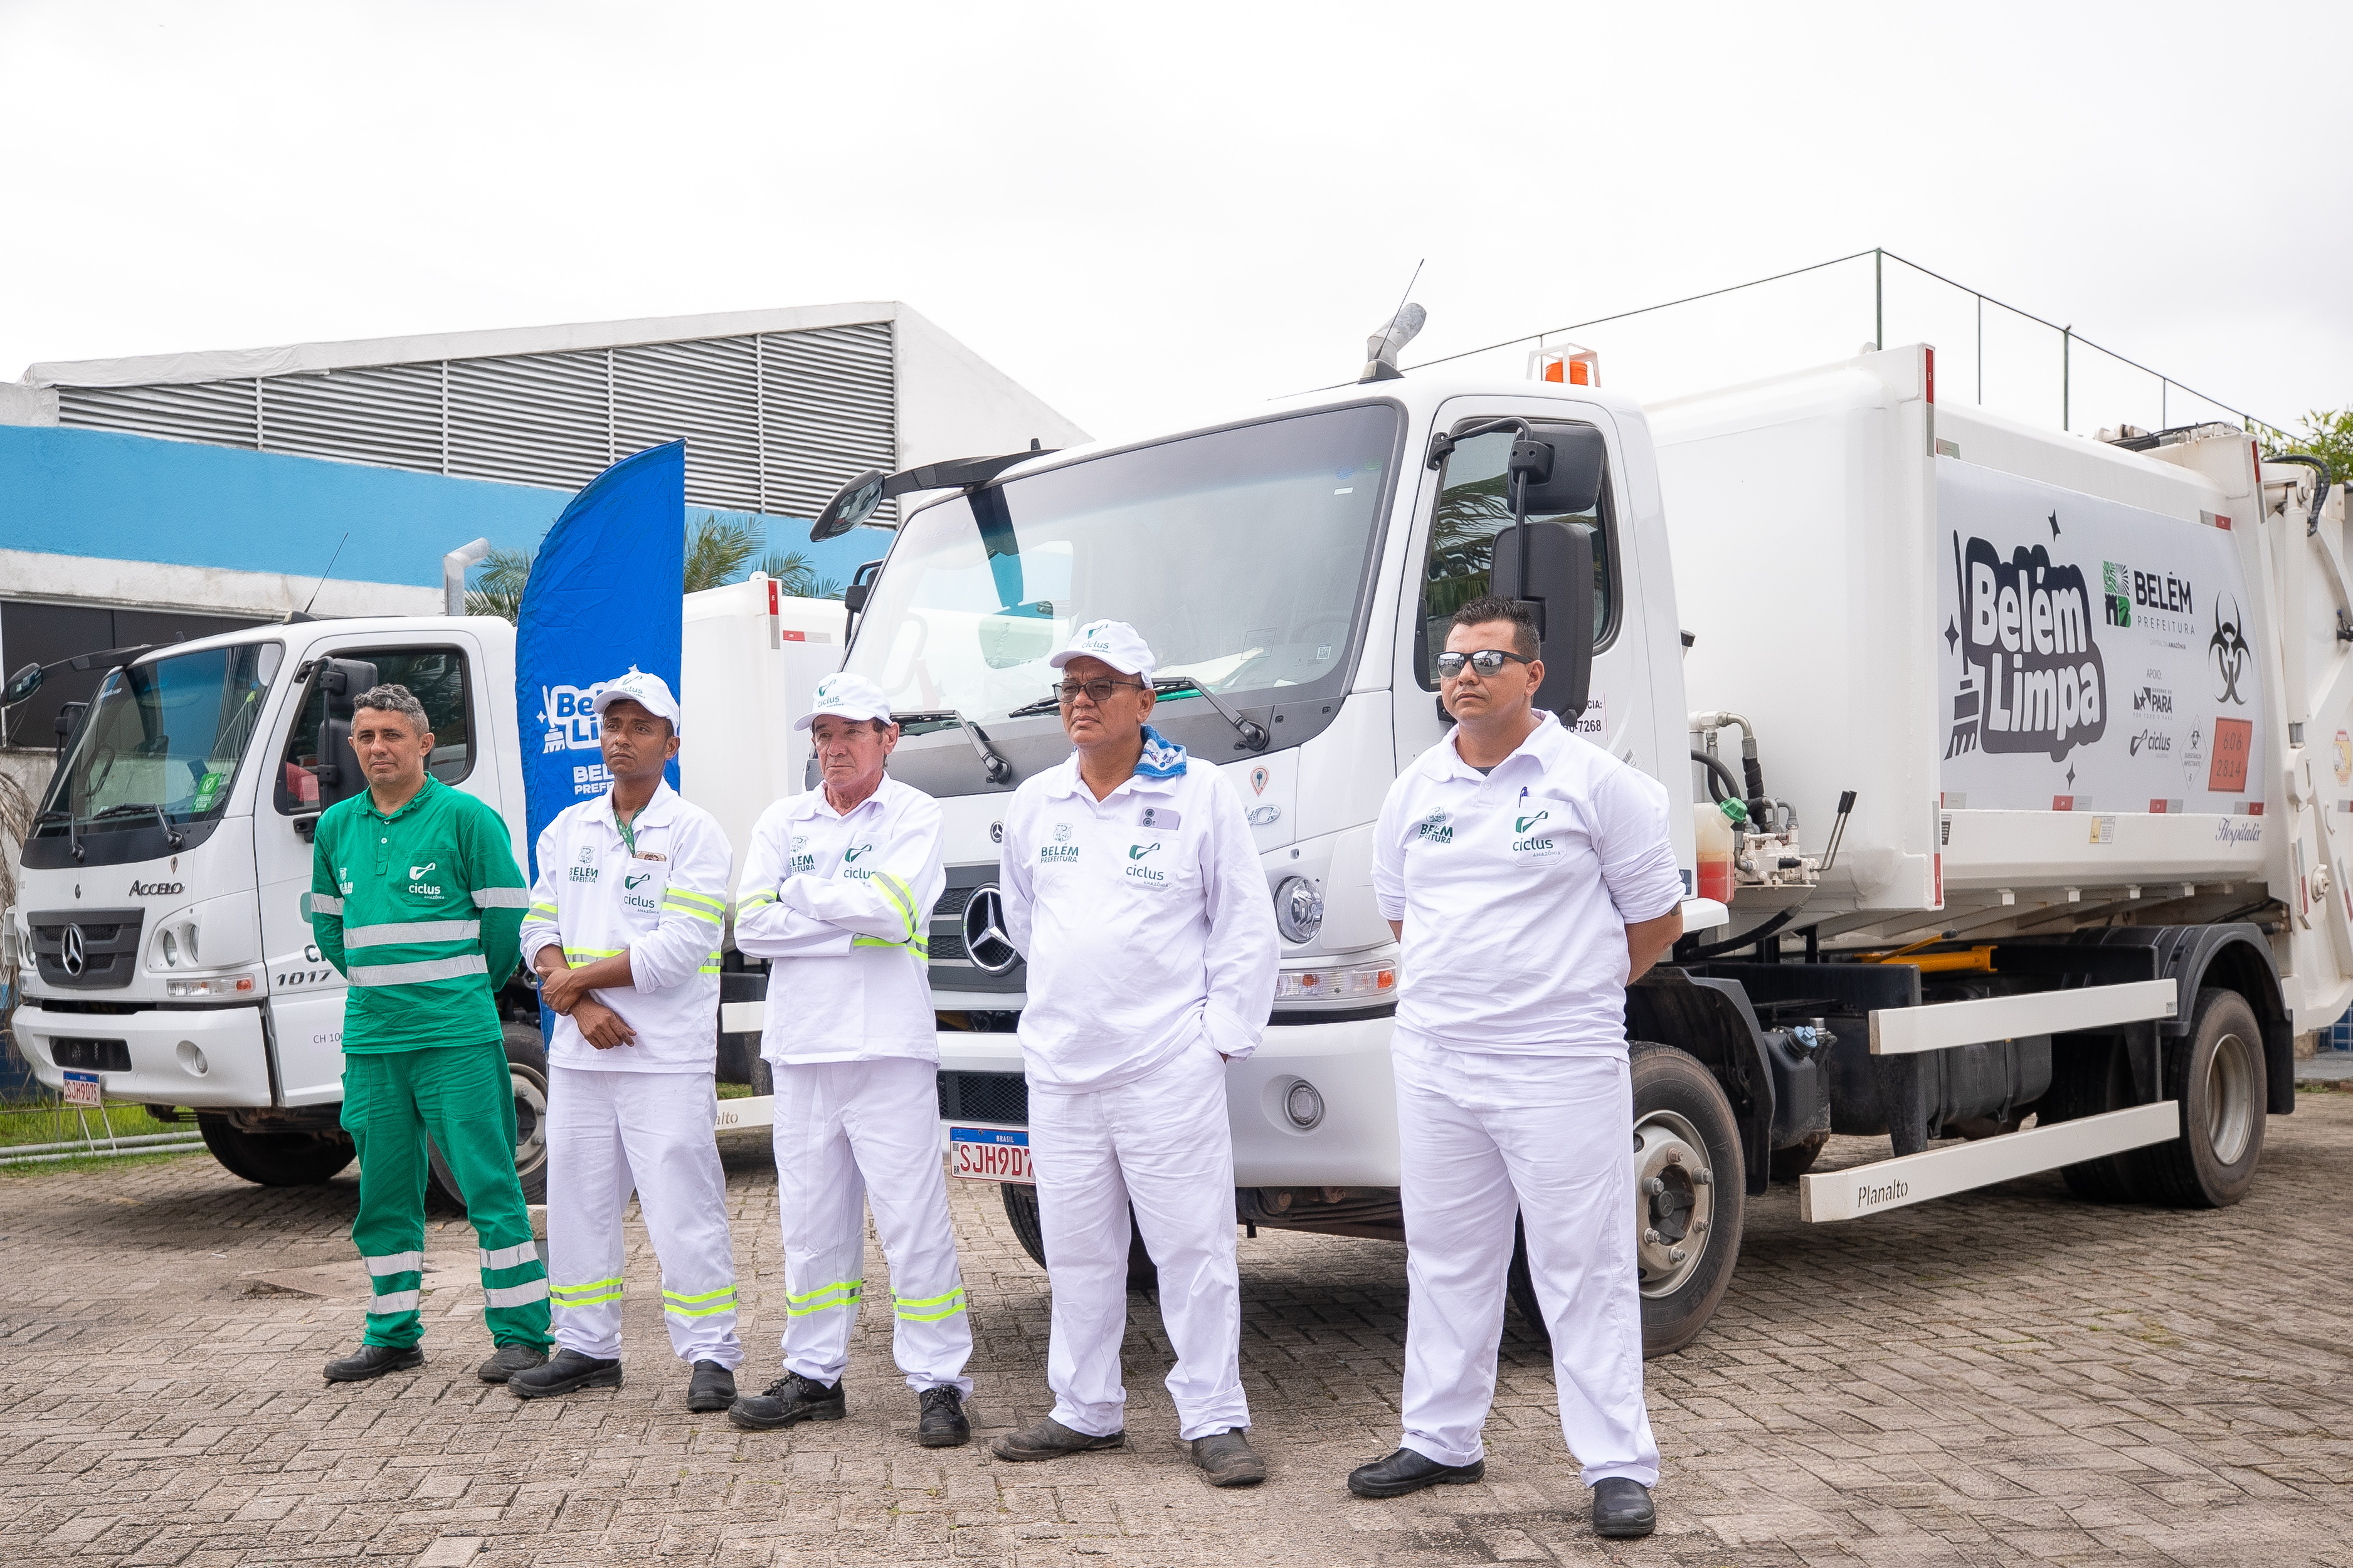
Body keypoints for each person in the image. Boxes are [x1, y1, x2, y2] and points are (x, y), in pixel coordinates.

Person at [1348, 596, 1683, 1539]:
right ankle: (1443, 1439)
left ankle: (1617, 1463)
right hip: (1438, 1062)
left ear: (1534, 676)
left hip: (1558, 1064)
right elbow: (1409, 919)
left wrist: (1563, 992)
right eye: (1451, 661)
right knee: (1449, 1259)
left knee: (1582, 1267)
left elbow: (1655, 920)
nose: (1463, 676)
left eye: (1486, 661)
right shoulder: (1416, 789)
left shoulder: (1595, 783)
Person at [988, 619, 1278, 1488]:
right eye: (1069, 687)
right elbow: (1027, 919)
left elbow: (1244, 925)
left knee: (1191, 1249)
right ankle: (1085, 1409)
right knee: (1077, 1249)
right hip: (1064, 1069)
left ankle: (1214, 1416)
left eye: (1100, 686)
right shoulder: (1037, 801)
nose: (1079, 701)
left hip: (1167, 1066)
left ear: (1146, 700)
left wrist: (1217, 1043)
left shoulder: (1201, 792)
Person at [727, 672, 973, 1446]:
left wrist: (800, 890)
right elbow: (751, 928)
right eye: (822, 734)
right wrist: (842, 909)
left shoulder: (916, 812)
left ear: (887, 737)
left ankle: (939, 1383)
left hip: (887, 1049)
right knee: (808, 1225)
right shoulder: (782, 816)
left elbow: (897, 911)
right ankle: (813, 1375)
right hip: (801, 1051)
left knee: (913, 1223)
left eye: (849, 733)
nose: (833, 748)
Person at [510, 670, 741, 1409]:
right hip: (582, 1053)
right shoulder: (568, 826)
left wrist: (572, 984)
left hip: (663, 1055)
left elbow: (677, 948)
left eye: (641, 726)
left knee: (683, 1202)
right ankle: (586, 1345)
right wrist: (577, 1006)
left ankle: (711, 1353)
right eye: (612, 723)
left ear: (670, 743)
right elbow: (534, 927)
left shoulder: (696, 831)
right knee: (577, 1200)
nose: (622, 737)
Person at [307, 683, 550, 1384]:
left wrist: (461, 988)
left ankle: (522, 1335)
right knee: (382, 1193)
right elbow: (329, 926)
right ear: (353, 747)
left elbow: (504, 923)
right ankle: (391, 1334)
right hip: (374, 1040)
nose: (377, 747)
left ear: (423, 744)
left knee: (488, 1184)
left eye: (391, 734)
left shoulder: (466, 818)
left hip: (456, 1037)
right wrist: (383, 986)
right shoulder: (336, 828)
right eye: (365, 736)